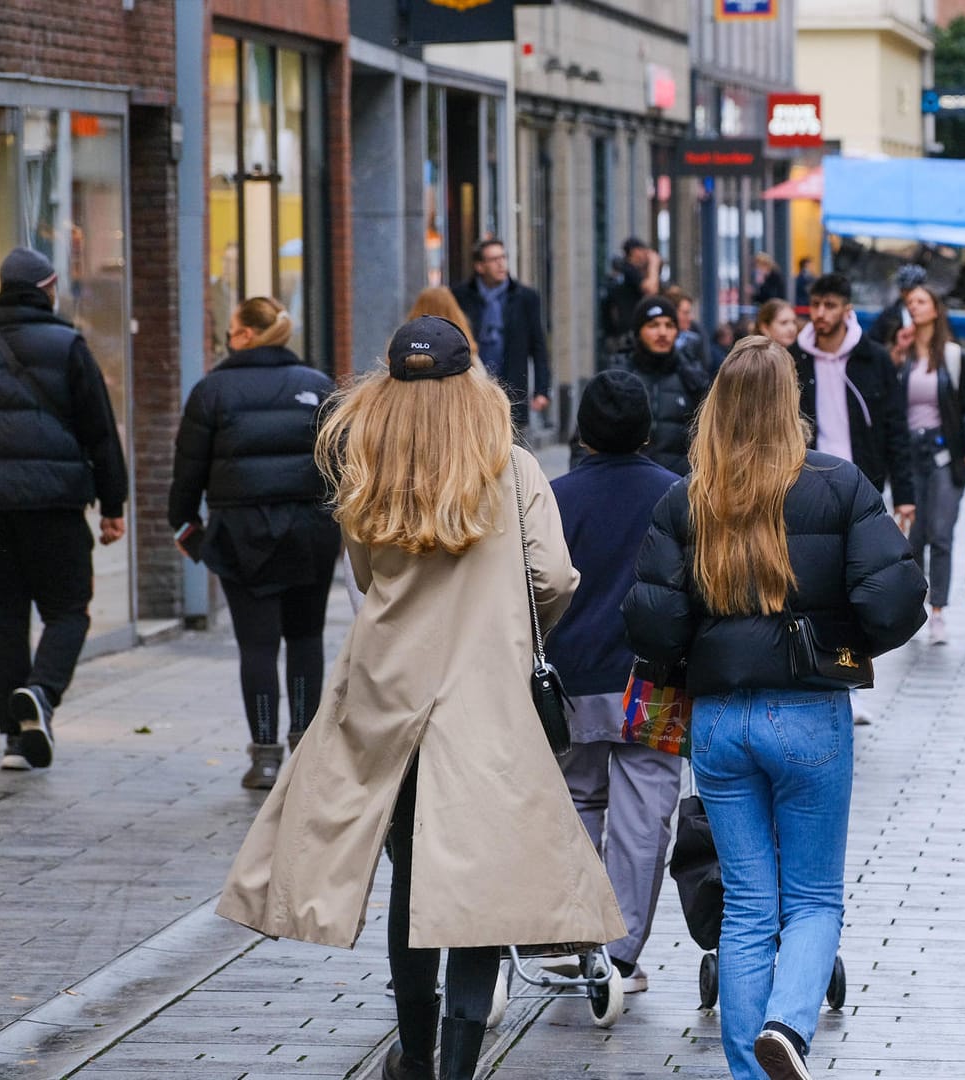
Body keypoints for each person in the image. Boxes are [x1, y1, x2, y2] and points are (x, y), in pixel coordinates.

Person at [216, 316, 626, 1080]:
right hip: (485, 695)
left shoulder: (368, 465)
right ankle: (460, 1065)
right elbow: (555, 578)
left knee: (412, 880)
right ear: (474, 382)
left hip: (387, 690)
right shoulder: (510, 465)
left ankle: (412, 1051)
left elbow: (367, 575)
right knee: (478, 882)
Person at [623, 338, 927, 1080]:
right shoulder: (840, 485)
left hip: (721, 721)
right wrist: (841, 640)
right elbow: (898, 599)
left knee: (749, 905)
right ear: (789, 403)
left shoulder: (688, 496)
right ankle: (789, 1025)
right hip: (809, 714)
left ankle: (751, 1070)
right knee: (815, 897)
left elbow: (654, 626)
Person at [549, 369, 684, 996]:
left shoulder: (554, 497)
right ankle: (622, 953)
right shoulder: (677, 495)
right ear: (648, 429)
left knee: (575, 799)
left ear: (583, 431)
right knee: (645, 811)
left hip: (572, 677)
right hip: (655, 680)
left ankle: (576, 936)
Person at [168, 297, 339, 789]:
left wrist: (187, 530)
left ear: (244, 335)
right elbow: (345, 463)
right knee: (306, 639)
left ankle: (264, 756)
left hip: (241, 534)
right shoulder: (318, 387)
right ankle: (304, 748)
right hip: (311, 531)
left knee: (257, 645)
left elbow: (187, 473)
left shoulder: (211, 392)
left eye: (231, 327)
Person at [0, 247, 128, 772]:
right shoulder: (67, 345)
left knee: (4, 621)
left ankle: (15, 742)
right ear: (48, 289)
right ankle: (40, 694)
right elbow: (99, 432)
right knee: (68, 610)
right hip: (55, 504)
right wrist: (114, 504)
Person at [892, 285, 965, 647]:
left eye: (921, 301)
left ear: (935, 309)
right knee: (913, 537)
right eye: (910, 302)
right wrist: (897, 351)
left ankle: (939, 611)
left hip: (944, 453)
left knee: (941, 534)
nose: (914, 306)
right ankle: (914, 611)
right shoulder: (901, 355)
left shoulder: (954, 356)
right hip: (909, 454)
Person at [796, 273, 914, 530]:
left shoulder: (874, 358)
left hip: (862, 478)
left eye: (830, 305)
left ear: (847, 310)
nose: (820, 313)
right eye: (815, 305)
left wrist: (904, 495)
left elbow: (895, 426)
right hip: (809, 476)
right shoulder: (794, 359)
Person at [450, 238, 550, 432]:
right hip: (473, 385)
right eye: (494, 259)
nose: (501, 263)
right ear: (480, 266)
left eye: (503, 257)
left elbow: (538, 346)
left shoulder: (525, 298)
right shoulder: (460, 296)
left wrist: (541, 390)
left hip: (512, 384)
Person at [611, 294, 710, 476]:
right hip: (630, 482)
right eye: (653, 325)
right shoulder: (618, 378)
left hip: (680, 486)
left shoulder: (692, 379)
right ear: (639, 331)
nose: (663, 332)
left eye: (669, 325)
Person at [602, 238, 661, 352]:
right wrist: (654, 265)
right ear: (635, 252)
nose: (646, 255)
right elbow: (651, 290)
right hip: (625, 335)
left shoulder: (629, 270)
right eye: (643, 251)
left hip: (623, 333)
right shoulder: (628, 269)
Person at [867, 263, 928, 347]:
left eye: (913, 290)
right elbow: (874, 343)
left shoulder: (932, 313)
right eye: (905, 290)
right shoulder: (889, 315)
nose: (910, 295)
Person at [662, 286, 712, 374]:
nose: (690, 317)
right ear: (672, 312)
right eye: (686, 313)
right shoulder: (659, 339)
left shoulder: (696, 339)